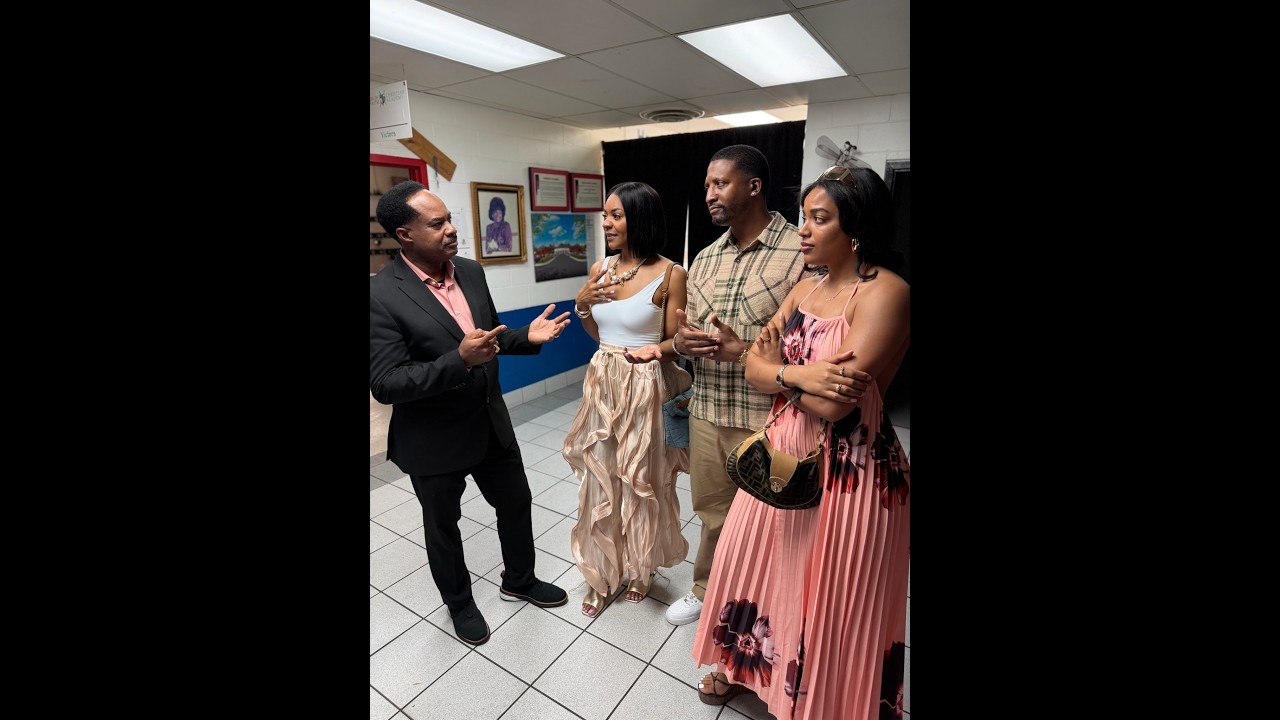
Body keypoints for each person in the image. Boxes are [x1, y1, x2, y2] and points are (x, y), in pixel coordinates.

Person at [689, 163, 910, 719]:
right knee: (756, 559)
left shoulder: (886, 292)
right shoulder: (807, 283)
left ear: (855, 227)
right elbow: (753, 364)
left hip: (850, 466)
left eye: (819, 219)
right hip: (783, 448)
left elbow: (839, 405)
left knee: (832, 591)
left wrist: (782, 371)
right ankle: (749, 669)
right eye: (805, 216)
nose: (804, 231)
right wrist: (800, 375)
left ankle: (825, 698)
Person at [370, 181, 572, 647]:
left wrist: (526, 337)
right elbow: (385, 384)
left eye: (450, 219)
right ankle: (459, 604)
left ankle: (519, 579)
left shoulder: (470, 271)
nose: (451, 230)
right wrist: (456, 360)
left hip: (490, 423)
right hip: (434, 438)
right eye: (437, 223)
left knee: (516, 503)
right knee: (443, 528)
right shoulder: (381, 294)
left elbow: (488, 339)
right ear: (404, 235)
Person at [663, 144, 812, 627]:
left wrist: (741, 347)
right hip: (708, 408)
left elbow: (813, 341)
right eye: (706, 185)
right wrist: (684, 341)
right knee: (711, 511)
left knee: (772, 520)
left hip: (770, 416)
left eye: (720, 183)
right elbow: (688, 336)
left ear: (753, 186)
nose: (709, 194)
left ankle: (768, 602)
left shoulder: (799, 252)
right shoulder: (704, 259)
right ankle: (707, 586)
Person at [561, 181, 690, 618]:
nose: (607, 222)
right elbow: (599, 332)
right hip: (603, 380)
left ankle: (640, 568)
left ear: (640, 218)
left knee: (642, 478)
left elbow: (680, 342)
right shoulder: (600, 269)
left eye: (616, 215)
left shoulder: (673, 274)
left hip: (645, 384)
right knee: (601, 476)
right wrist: (581, 305)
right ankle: (600, 572)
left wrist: (657, 350)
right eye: (606, 215)